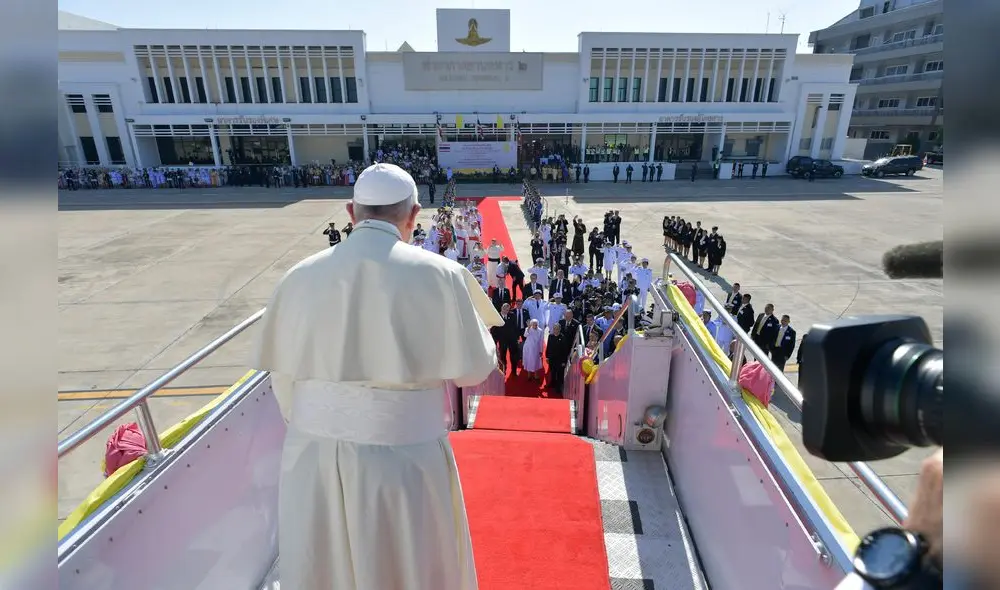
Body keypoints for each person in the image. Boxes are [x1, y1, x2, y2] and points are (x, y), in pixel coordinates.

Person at [252, 162, 503, 590]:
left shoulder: (299, 276)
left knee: (324, 568)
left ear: (351, 212)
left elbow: (284, 380)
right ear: (414, 214)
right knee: (408, 567)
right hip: (404, 461)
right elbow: (475, 370)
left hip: (312, 457)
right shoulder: (440, 275)